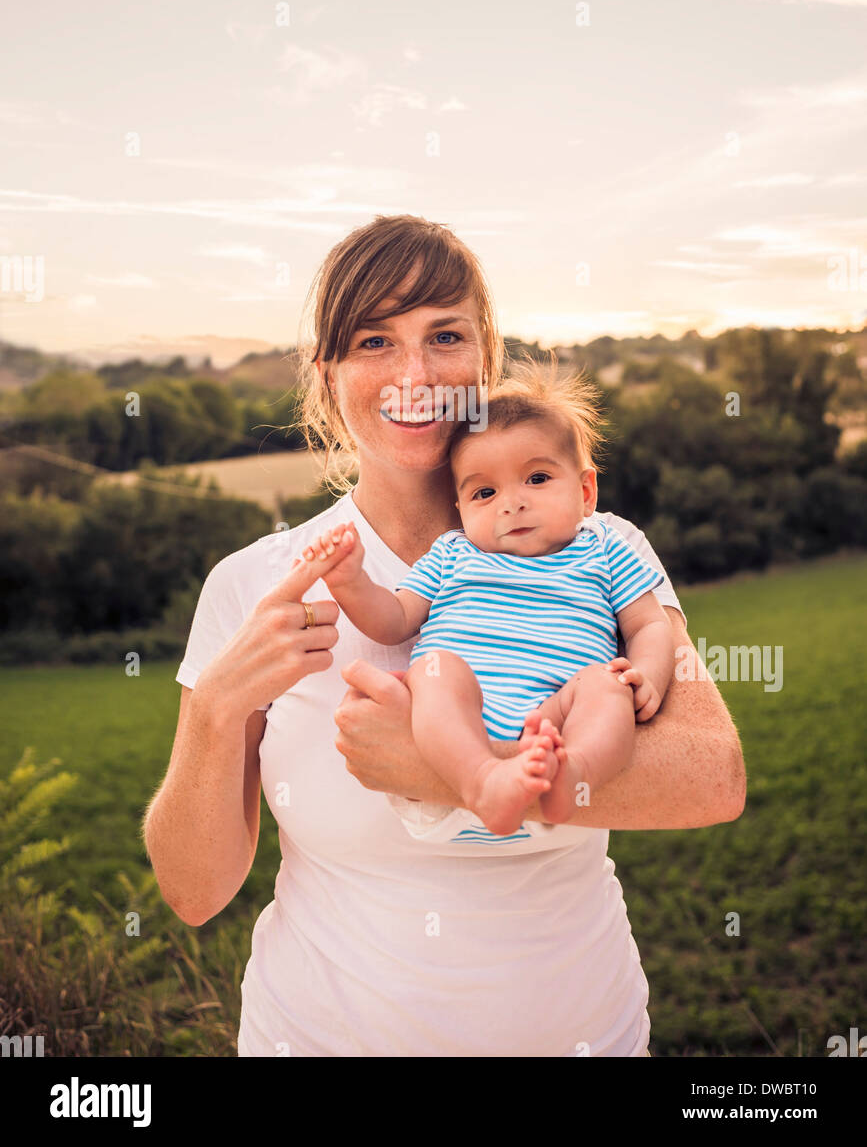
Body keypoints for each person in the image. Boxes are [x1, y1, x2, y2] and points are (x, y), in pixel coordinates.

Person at [143, 212, 746, 1058]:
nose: (415, 373)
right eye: (373, 342)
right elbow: (193, 893)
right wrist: (213, 712)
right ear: (327, 374)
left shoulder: (594, 546)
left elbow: (711, 778)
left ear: (486, 356)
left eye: (445, 335)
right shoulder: (255, 583)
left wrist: (443, 771)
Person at [297, 360, 674, 840]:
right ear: (460, 509)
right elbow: (394, 619)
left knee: (606, 688)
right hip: (451, 738)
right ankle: (483, 781)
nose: (511, 503)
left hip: (556, 719)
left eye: (537, 479)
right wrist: (350, 582)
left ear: (585, 492)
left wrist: (649, 676)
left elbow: (648, 625)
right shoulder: (453, 552)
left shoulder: (604, 546)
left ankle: (571, 777)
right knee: (437, 671)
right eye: (485, 492)